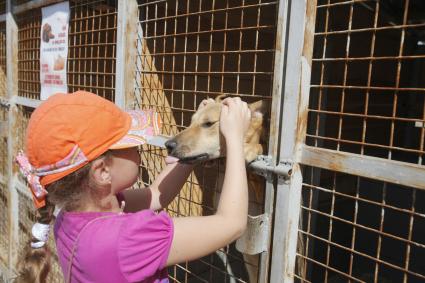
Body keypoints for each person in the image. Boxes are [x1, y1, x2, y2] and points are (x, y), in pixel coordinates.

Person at [15, 90, 251, 283]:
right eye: (131, 144)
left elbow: (156, 195)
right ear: (103, 171)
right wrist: (235, 137)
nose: (140, 148)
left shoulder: (71, 218)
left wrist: (191, 145)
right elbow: (232, 224)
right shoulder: (127, 239)